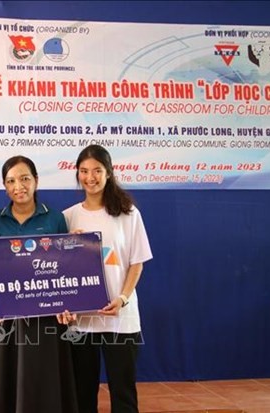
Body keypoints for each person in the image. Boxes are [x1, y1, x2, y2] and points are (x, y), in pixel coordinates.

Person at [0, 156, 78, 413]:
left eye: (24, 178)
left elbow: (64, 267)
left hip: (45, 314)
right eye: (11, 181)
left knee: (42, 378)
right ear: (4, 186)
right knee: (7, 377)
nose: (18, 186)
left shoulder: (55, 219)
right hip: (7, 315)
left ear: (36, 181)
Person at [62, 144, 153, 413]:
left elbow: (137, 262)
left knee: (123, 392)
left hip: (120, 319)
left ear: (109, 173)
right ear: (77, 174)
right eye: (84, 171)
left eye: (97, 171)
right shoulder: (68, 217)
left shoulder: (129, 214)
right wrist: (68, 245)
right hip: (82, 321)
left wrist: (122, 298)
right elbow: (58, 268)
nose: (90, 177)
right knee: (82, 392)